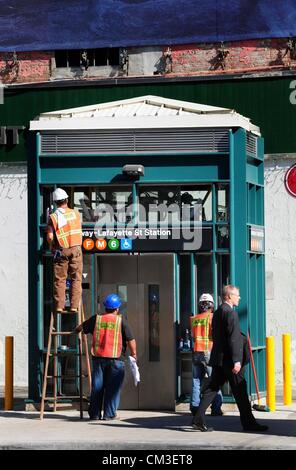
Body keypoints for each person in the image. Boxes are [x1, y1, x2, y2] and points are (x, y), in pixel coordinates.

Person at [192, 285, 268, 433]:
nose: (239, 298)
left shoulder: (218, 312)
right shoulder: (231, 313)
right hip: (230, 361)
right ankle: (249, 424)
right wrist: (237, 361)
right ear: (228, 296)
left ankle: (198, 419)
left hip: (219, 360)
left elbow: (220, 337)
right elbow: (233, 339)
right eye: (236, 295)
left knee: (212, 389)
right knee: (240, 391)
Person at [75, 293, 137, 420]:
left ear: (105, 308)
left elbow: (80, 328)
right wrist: (134, 354)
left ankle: (94, 414)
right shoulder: (121, 321)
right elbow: (131, 340)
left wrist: (75, 331)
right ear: (117, 308)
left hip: (98, 358)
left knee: (97, 387)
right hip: (116, 360)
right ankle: (109, 414)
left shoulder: (96, 319)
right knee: (112, 388)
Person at [47, 188, 82, 312]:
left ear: (55, 202)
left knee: (60, 280)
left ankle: (59, 306)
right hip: (76, 249)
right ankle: (74, 306)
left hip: (61, 250)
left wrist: (52, 246)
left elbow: (50, 236)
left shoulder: (54, 217)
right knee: (76, 278)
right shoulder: (76, 214)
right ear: (67, 199)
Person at [190, 293, 223, 419]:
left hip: (196, 352)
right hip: (208, 352)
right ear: (211, 305)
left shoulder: (194, 319)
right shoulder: (212, 318)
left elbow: (193, 336)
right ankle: (216, 407)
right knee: (215, 380)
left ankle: (195, 407)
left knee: (196, 380)